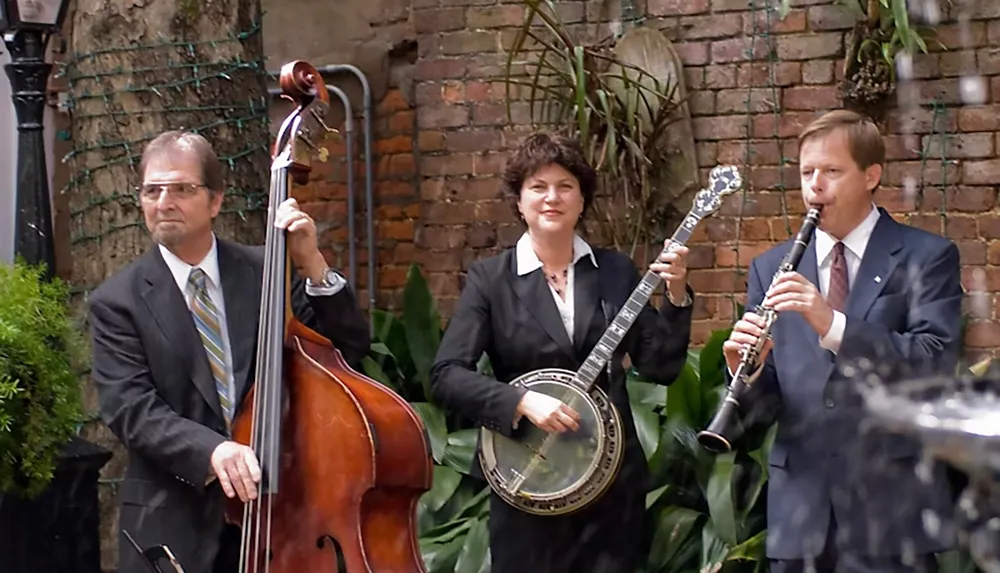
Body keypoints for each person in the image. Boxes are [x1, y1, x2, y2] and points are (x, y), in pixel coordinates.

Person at [88, 131, 370, 573]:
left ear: (215, 201)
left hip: (285, 514)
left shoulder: (267, 272)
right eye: (152, 190)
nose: (164, 202)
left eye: (182, 189)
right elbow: (131, 409)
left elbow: (346, 352)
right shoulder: (116, 301)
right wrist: (213, 451)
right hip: (174, 528)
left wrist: (312, 263)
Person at [430, 133, 694, 573]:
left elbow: (661, 367)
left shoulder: (615, 271)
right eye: (538, 186)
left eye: (565, 186)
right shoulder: (491, 280)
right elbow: (445, 374)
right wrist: (519, 401)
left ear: (582, 200)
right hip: (529, 481)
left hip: (611, 490)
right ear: (519, 201)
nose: (552, 197)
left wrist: (678, 293)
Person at [724, 110, 962, 573]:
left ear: (871, 175)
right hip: (801, 518)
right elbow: (766, 408)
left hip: (890, 517)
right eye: (806, 173)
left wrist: (833, 324)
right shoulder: (770, 267)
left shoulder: (927, 257)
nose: (815, 185)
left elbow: (934, 365)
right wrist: (745, 372)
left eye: (832, 171)